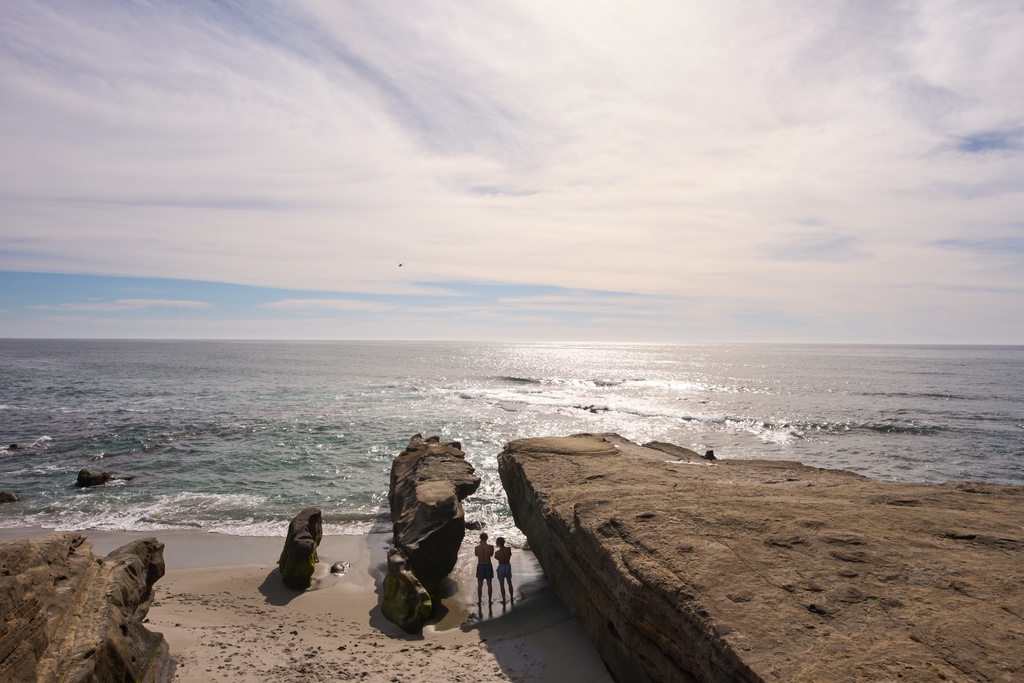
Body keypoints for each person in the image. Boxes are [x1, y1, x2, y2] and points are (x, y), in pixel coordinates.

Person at [474, 532, 494, 603]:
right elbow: (491, 554)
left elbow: (476, 554)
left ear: (480, 538)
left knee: (480, 584)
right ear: (487, 538)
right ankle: (490, 600)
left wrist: (480, 545)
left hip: (481, 565)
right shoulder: (491, 547)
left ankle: (479, 600)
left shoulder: (477, 548)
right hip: (488, 564)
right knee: (489, 584)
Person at [495, 537, 513, 604]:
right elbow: (510, 555)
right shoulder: (508, 549)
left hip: (501, 566)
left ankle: (504, 600)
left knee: (502, 584)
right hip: (508, 565)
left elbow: (497, 558)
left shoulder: (497, 553)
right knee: (509, 582)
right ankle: (511, 597)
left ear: (498, 543)